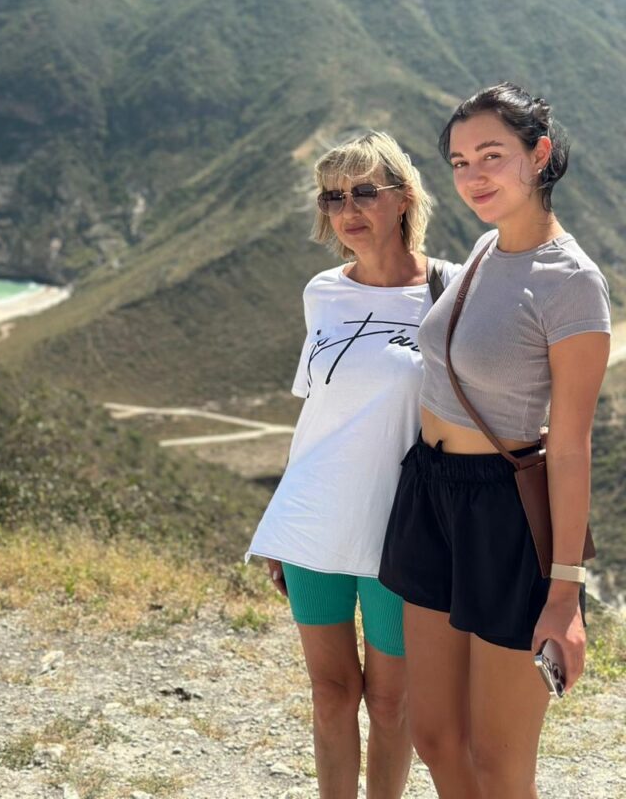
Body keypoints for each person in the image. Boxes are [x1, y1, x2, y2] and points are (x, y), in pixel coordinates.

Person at [379, 83, 611, 799]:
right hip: (430, 494)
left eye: (492, 156)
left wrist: (564, 596)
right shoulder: (482, 248)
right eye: (458, 161)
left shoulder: (573, 283)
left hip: (502, 516)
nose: (473, 176)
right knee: (435, 737)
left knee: (497, 758)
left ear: (538, 156)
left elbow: (570, 447)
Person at [247, 131, 459, 799]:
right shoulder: (322, 293)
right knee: (332, 696)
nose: (348, 208)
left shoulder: (448, 291)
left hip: (402, 534)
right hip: (314, 522)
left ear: (402, 199)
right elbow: (321, 417)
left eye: (365, 190)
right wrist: (281, 522)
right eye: (334, 196)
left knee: (392, 704)